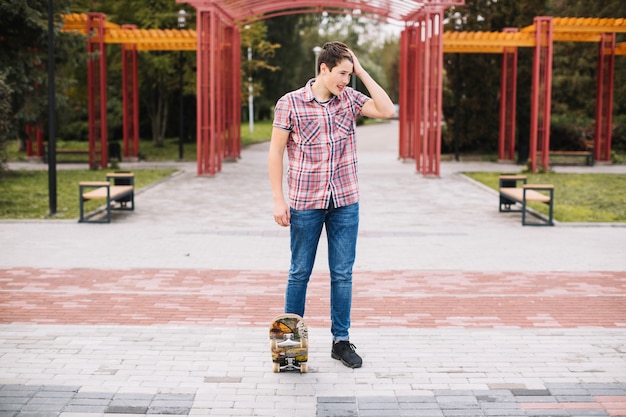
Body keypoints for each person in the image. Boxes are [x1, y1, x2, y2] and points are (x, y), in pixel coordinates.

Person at [268, 41, 395, 368]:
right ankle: (290, 348)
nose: (346, 81)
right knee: (299, 273)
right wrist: (278, 199)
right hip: (305, 203)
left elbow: (387, 110)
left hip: (344, 202)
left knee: (342, 274)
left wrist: (361, 69)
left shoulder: (350, 100)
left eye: (349, 75)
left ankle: (341, 341)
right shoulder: (290, 103)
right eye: (342, 73)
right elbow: (275, 153)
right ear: (323, 69)